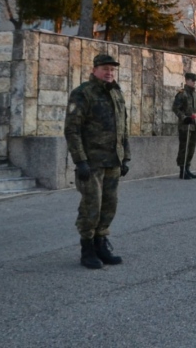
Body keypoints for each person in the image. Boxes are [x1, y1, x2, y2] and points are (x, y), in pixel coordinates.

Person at [64, 53, 131, 270]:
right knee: (92, 205)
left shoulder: (117, 93)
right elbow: (72, 129)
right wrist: (80, 160)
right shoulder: (83, 93)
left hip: (113, 161)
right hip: (92, 162)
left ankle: (101, 243)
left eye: (112, 69)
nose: (109, 72)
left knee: (109, 205)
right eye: (105, 69)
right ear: (94, 70)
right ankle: (87, 249)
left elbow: (123, 128)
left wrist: (125, 157)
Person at [173, 72, 196, 180]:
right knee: (184, 148)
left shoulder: (194, 94)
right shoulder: (182, 94)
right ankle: (182, 170)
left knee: (191, 148)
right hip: (185, 125)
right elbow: (175, 108)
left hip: (194, 124)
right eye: (192, 80)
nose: (194, 83)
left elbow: (194, 109)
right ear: (187, 80)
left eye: (194, 81)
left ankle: (187, 168)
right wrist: (184, 118)